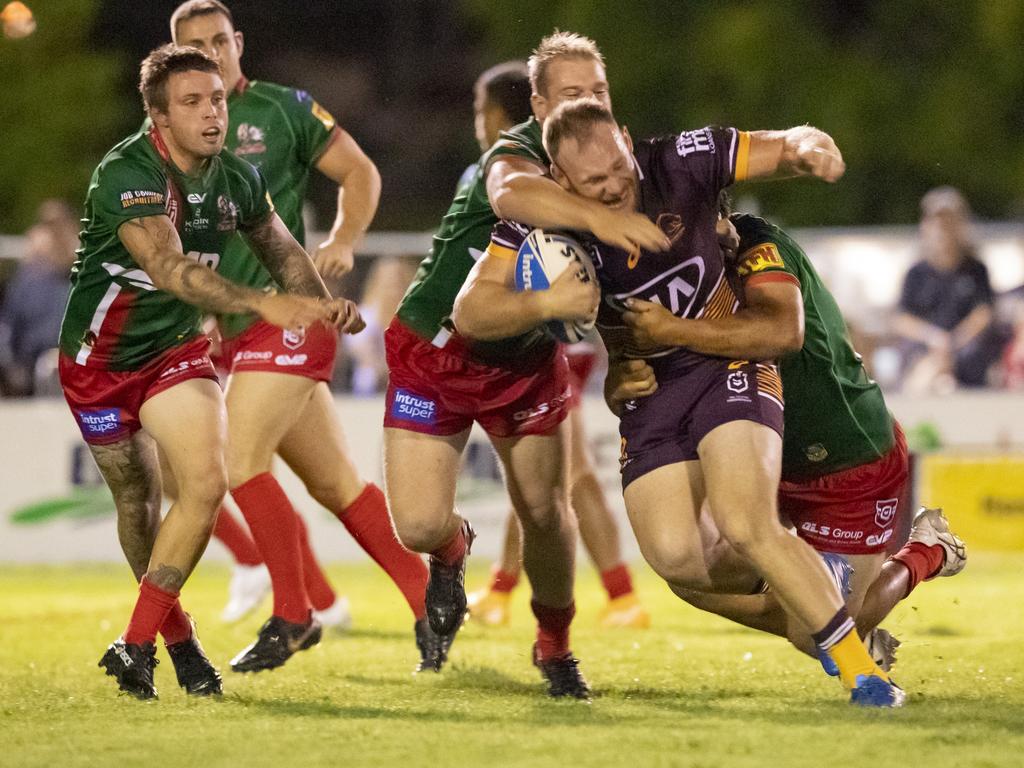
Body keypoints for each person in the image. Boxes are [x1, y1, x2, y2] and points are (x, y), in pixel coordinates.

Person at [531, 97, 903, 706]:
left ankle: (864, 671)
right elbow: (478, 303)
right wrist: (612, 375)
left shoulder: (681, 161)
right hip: (656, 397)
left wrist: (810, 148)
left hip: (730, 367)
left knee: (744, 520)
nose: (615, 186)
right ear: (560, 181)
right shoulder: (547, 230)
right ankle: (813, 587)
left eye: (619, 167)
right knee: (678, 560)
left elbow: (783, 142)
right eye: (594, 182)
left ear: (628, 138)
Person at [57, 44, 357, 699]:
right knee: (137, 505)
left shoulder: (237, 176)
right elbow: (168, 268)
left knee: (205, 481)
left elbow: (282, 250)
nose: (212, 112)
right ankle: (181, 644)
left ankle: (134, 644)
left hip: (173, 354)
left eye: (217, 98)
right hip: (99, 365)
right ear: (158, 116)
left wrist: (318, 304)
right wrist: (259, 302)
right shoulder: (126, 171)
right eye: (192, 102)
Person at [384, 31, 671, 699]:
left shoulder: (618, 165)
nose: (587, 104)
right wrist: (598, 224)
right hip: (437, 347)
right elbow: (511, 204)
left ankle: (556, 646)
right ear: (538, 106)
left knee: (545, 507)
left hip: (526, 364)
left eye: (597, 91)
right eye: (572, 94)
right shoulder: (514, 152)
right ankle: (453, 552)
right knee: (420, 526)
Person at [169, 0, 441, 673]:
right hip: (236, 330)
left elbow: (361, 173)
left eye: (219, 40)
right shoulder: (174, 133)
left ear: (239, 43)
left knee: (241, 462)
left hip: (293, 319)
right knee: (337, 486)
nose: (213, 52)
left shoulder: (282, 109)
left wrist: (346, 240)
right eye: (195, 46)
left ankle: (293, 614)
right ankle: (432, 599)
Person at [611, 203, 967, 674]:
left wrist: (672, 330)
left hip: (843, 454)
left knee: (813, 635)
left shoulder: (759, 245)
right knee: (688, 568)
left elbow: (782, 330)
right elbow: (638, 379)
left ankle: (926, 552)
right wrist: (618, 380)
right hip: (761, 452)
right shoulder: (661, 279)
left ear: (720, 211)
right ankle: (838, 623)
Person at [458, 60, 648, 629]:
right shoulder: (547, 161)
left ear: (497, 113)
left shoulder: (525, 172)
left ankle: (620, 596)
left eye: (477, 108)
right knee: (553, 477)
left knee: (565, 476)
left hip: (560, 332)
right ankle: (508, 587)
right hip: (560, 330)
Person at [893, 186, 1009, 391]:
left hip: (964, 350)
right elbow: (901, 319)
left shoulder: (976, 270)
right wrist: (933, 338)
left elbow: (983, 313)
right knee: (916, 360)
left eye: (949, 221)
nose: (942, 228)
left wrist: (953, 342)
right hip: (925, 347)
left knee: (973, 355)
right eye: (936, 221)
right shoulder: (916, 273)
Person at [0, 199, 79, 396]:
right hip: (31, 378)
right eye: (49, 226)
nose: (56, 234)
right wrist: (12, 368)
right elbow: (8, 328)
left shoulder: (90, 277)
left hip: (80, 374)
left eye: (61, 225)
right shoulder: (28, 280)